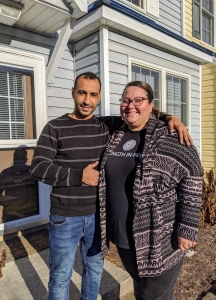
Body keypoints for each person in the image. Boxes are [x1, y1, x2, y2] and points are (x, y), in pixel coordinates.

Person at [30, 72, 192, 300]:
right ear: (73, 93)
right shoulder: (54, 127)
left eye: (93, 94)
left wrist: (170, 117)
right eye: (82, 93)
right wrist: (78, 176)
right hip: (65, 216)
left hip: (99, 218)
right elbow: (38, 167)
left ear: (99, 97)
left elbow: (139, 112)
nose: (87, 100)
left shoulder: (107, 125)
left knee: (94, 271)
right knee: (60, 275)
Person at [98, 80, 203, 300]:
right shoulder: (116, 132)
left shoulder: (170, 136)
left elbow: (193, 175)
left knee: (154, 296)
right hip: (124, 239)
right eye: (126, 100)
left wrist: (187, 227)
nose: (131, 106)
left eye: (139, 100)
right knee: (141, 289)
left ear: (151, 104)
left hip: (160, 240)